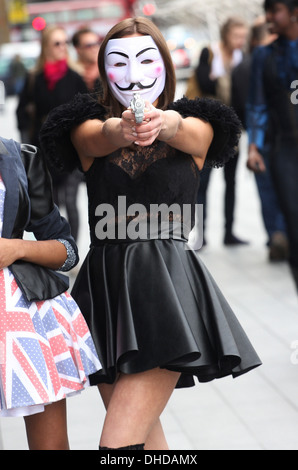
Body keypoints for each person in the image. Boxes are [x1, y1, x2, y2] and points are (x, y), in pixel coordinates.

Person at [40, 17, 261, 451]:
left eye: (145, 58)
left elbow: (189, 133)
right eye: (118, 62)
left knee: (117, 447)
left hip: (168, 289)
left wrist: (164, 123)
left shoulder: (200, 124)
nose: (133, 72)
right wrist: (121, 128)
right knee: (143, 445)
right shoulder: (84, 126)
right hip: (106, 292)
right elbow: (96, 138)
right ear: (105, 69)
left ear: (163, 62)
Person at [0, 137, 101, 449]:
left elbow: (67, 252)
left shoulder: (20, 157)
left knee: (51, 445)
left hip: (22, 318)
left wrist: (15, 248)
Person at [16, 25, 88, 242]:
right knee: (52, 202)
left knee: (71, 199)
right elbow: (22, 112)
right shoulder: (34, 78)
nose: (62, 47)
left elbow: (87, 110)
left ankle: (72, 247)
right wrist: (26, 144)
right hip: (44, 149)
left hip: (70, 148)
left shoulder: (75, 77)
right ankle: (57, 247)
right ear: (46, 47)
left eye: (64, 42)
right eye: (57, 43)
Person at [246, 0, 298, 290]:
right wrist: (254, 146)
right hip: (284, 152)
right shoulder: (263, 56)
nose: (268, 17)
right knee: (294, 226)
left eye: (274, 10)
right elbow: (257, 104)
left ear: (294, 12)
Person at [232, 18, 289, 262]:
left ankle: (275, 236)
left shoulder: (241, 67)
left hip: (258, 137)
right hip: (277, 138)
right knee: (281, 189)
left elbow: (239, 107)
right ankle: (283, 235)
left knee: (267, 192)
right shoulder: (269, 63)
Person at [193, 17, 249, 246]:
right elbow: (205, 83)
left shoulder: (242, 57)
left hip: (232, 129)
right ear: (226, 35)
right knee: (202, 184)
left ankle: (229, 232)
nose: (240, 41)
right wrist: (224, 79)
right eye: (236, 36)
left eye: (243, 37)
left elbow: (242, 92)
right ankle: (201, 235)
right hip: (209, 129)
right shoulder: (209, 52)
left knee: (231, 182)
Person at [72, 27, 102, 93]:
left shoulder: (106, 69)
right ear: (78, 49)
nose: (95, 48)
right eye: (89, 46)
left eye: (97, 43)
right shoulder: (72, 75)